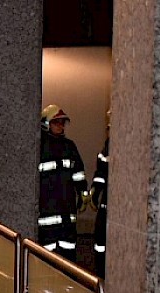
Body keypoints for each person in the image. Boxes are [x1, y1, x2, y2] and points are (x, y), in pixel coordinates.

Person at [38, 104, 89, 262]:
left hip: (67, 211)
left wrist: (83, 193)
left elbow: (78, 173)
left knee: (69, 255)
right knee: (47, 257)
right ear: (46, 124)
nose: (60, 126)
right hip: (47, 212)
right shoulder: (39, 147)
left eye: (62, 122)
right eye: (56, 122)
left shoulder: (70, 146)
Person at [90, 136, 109, 278]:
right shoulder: (108, 145)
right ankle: (101, 274)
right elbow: (101, 173)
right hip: (106, 204)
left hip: (115, 204)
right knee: (100, 243)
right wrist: (96, 191)